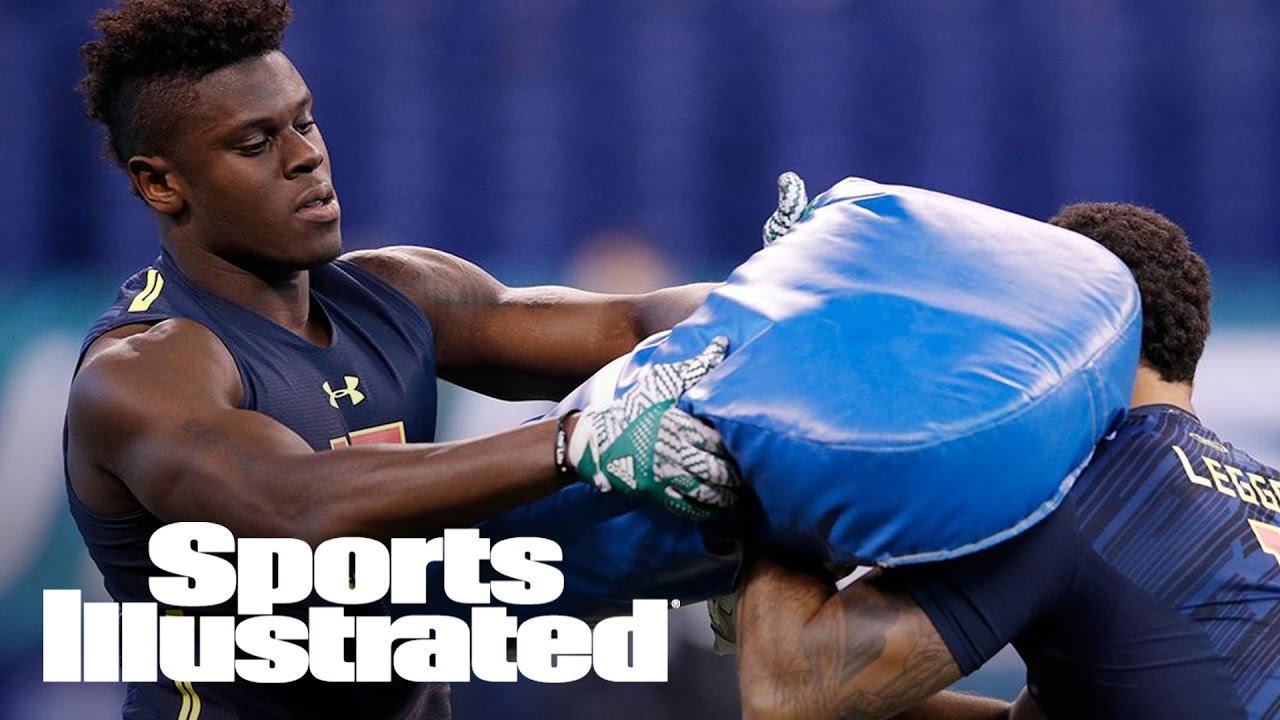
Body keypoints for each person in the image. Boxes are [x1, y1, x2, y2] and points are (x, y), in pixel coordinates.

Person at [64, 1, 742, 718]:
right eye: (255, 144)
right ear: (161, 183)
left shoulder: (397, 292)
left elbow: (633, 322)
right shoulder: (139, 370)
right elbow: (295, 504)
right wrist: (577, 442)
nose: (304, 157)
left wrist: (775, 297)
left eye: (304, 122)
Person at [733, 201, 1280, 719]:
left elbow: (786, 694)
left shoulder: (1065, 487)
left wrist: (770, 490)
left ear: (1071, 327)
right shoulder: (1256, 491)